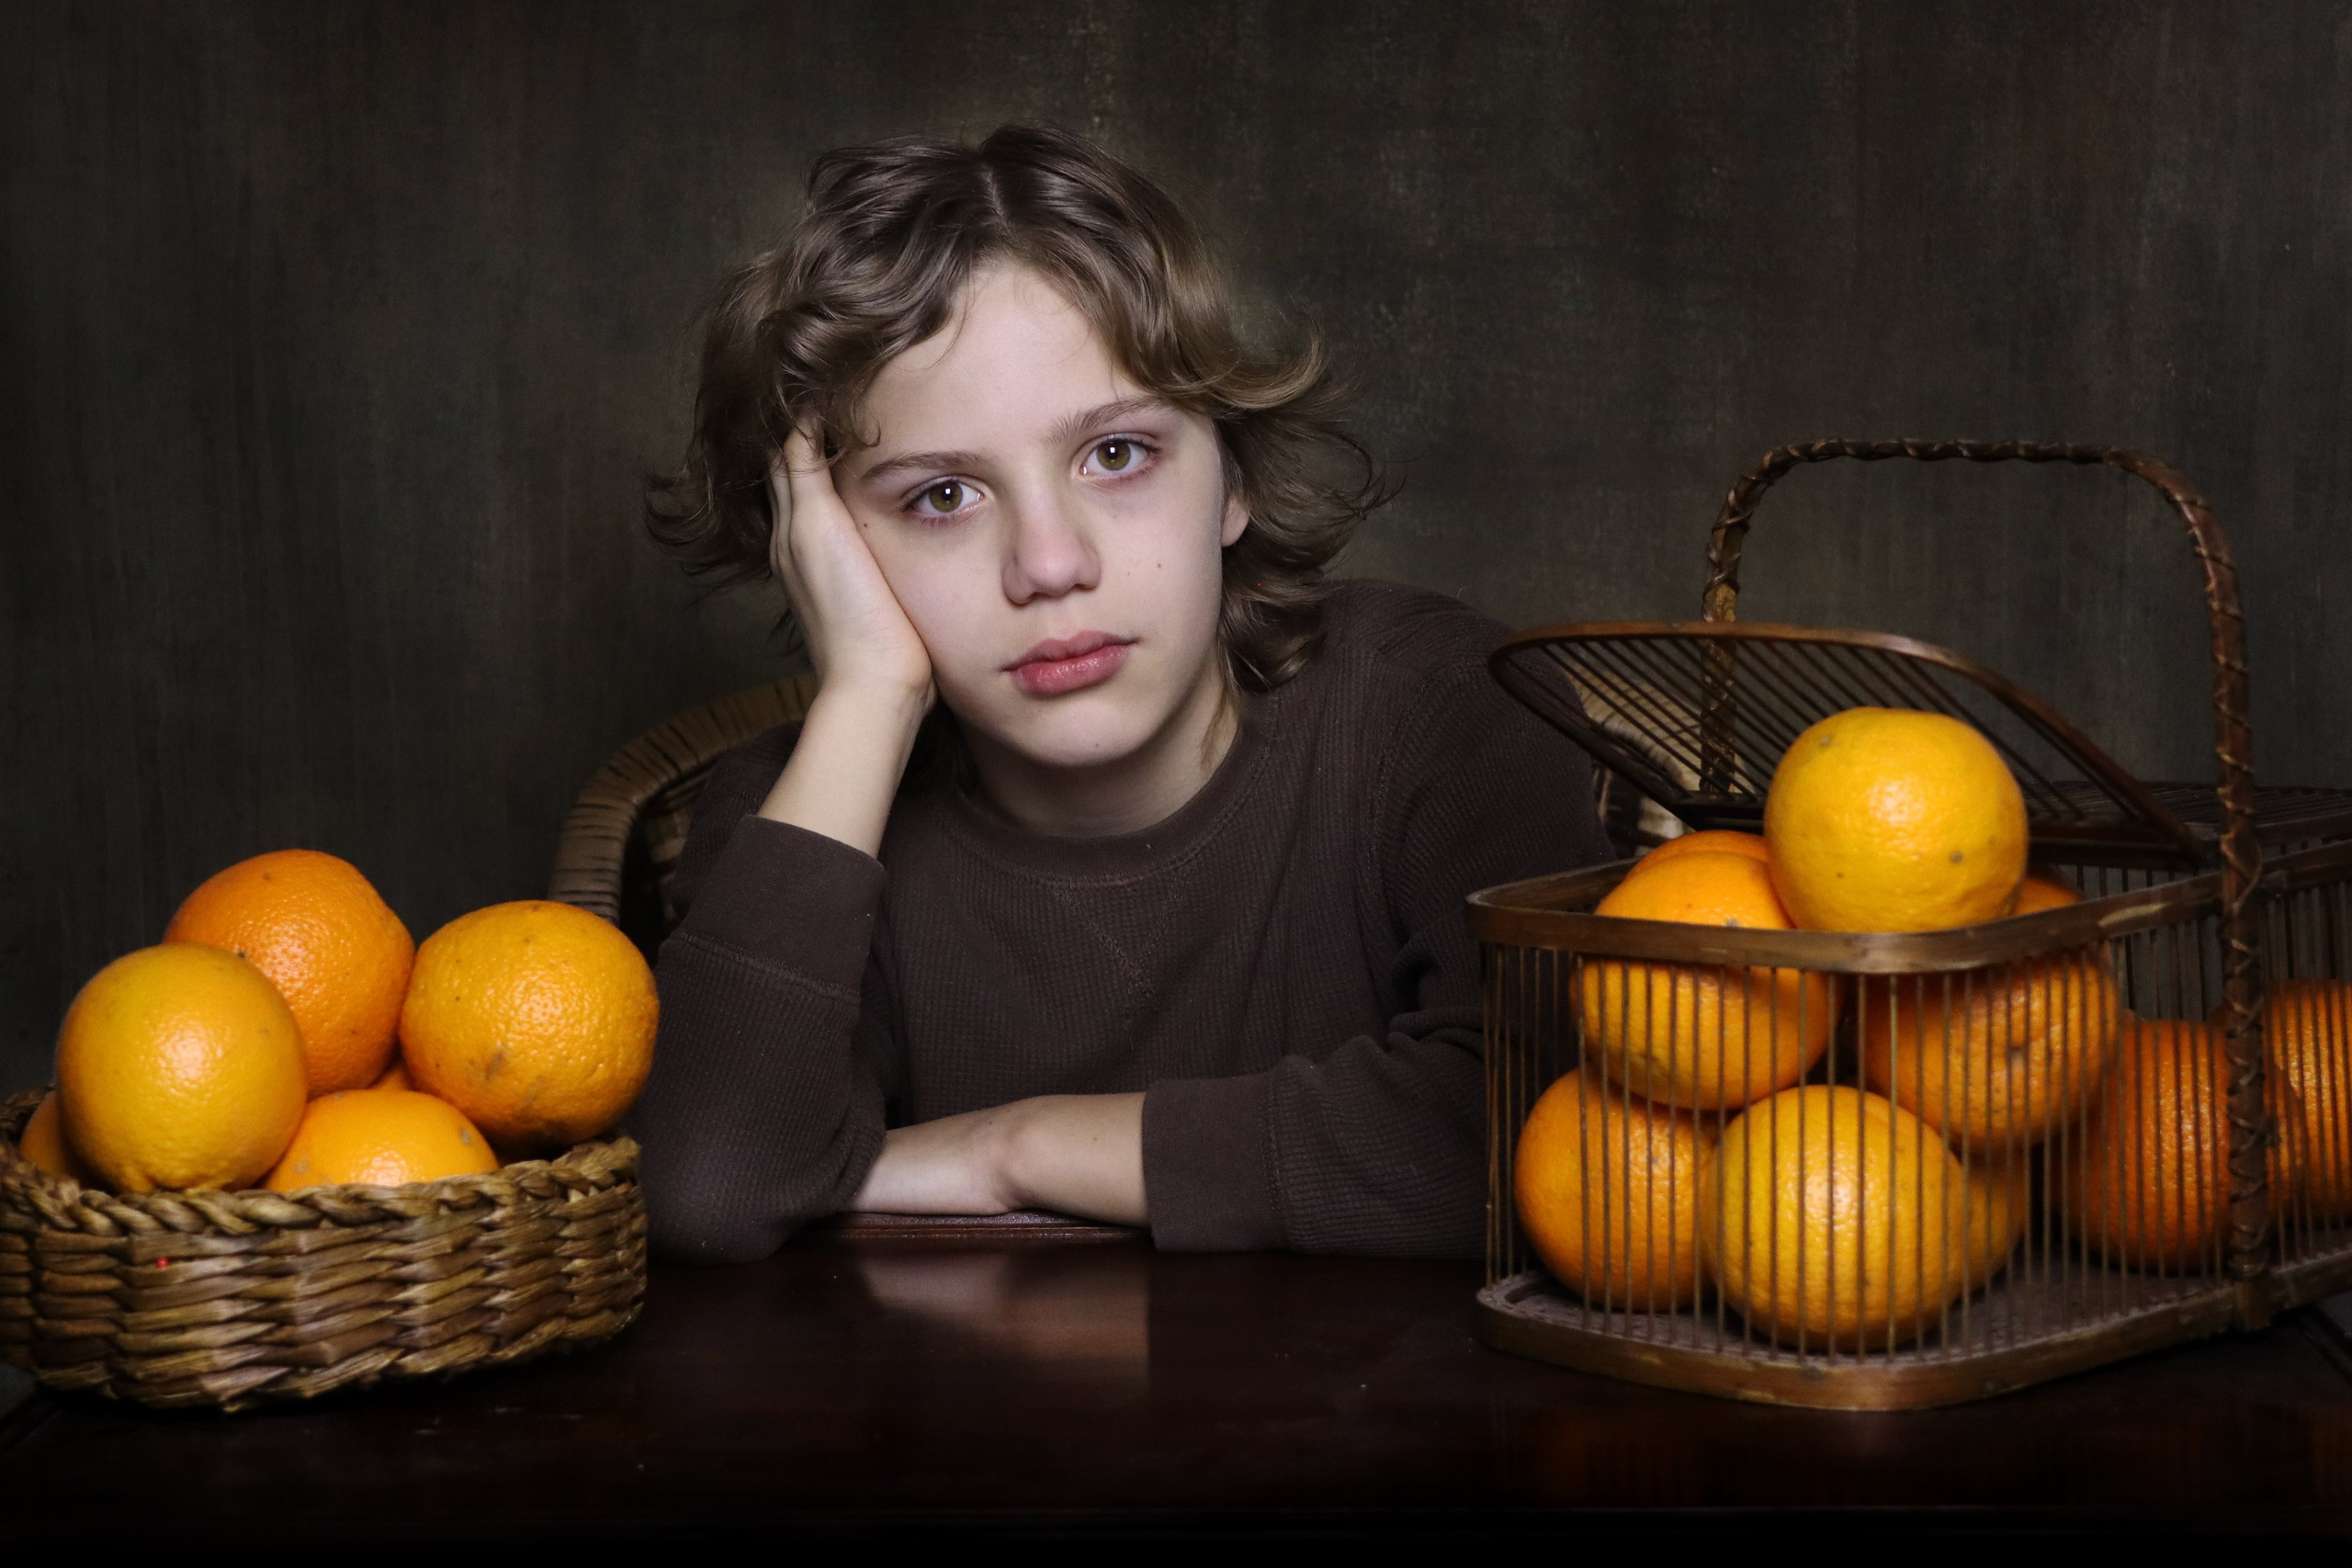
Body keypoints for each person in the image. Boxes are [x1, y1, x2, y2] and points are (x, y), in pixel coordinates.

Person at [633, 124, 1610, 1262]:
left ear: (1231, 476)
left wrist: (1019, 1150)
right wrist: (866, 696)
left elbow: (1557, 1143)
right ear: (826, 551)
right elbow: (707, 1189)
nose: (1050, 563)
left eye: (1116, 455)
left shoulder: (1437, 710)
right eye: (942, 495)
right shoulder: (805, 814)